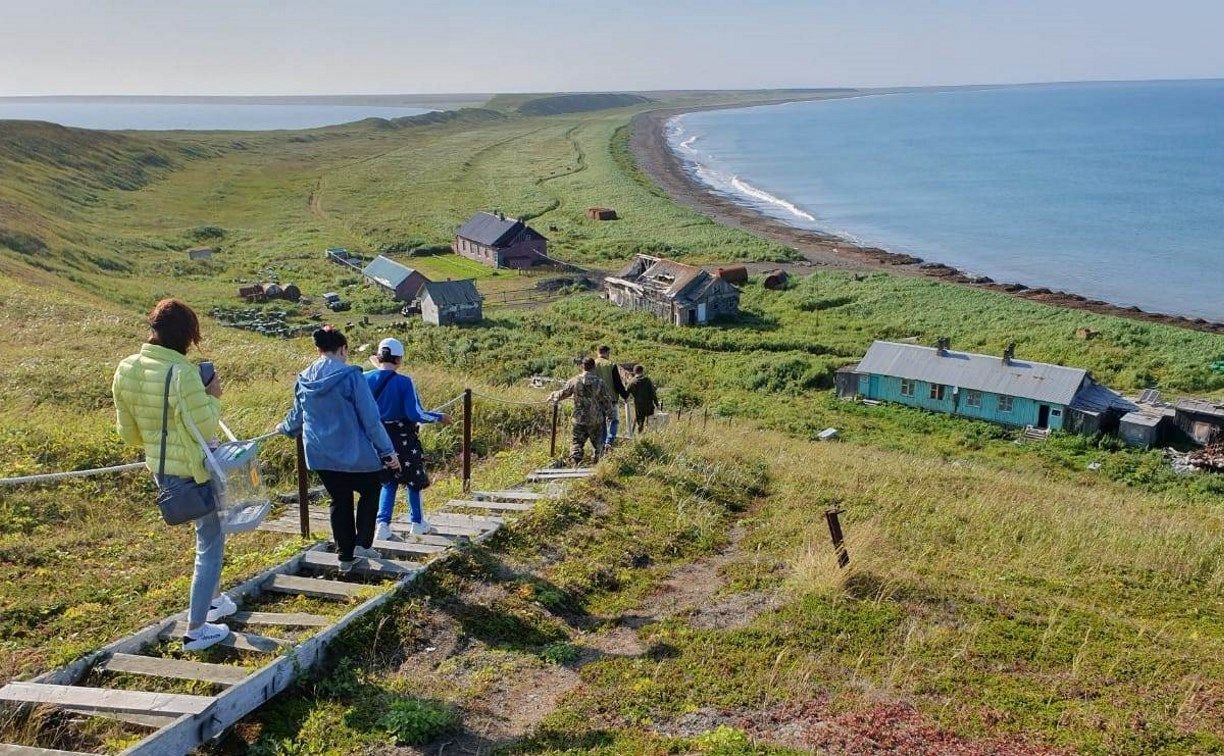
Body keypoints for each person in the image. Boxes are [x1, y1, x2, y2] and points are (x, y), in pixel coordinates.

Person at [112, 299, 234, 651]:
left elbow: (128, 434)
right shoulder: (182, 373)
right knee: (209, 542)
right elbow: (206, 424)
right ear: (186, 335)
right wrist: (213, 396)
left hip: (161, 470)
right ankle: (197, 629)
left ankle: (214, 602)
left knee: (205, 536)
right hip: (192, 473)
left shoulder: (126, 368)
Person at [278, 326, 400, 574]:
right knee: (370, 490)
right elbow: (370, 419)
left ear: (318, 349)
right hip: (355, 453)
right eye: (346, 351)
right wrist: (388, 452)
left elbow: (296, 417)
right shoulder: (351, 376)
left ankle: (345, 557)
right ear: (342, 349)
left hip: (321, 455)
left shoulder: (304, 378)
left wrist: (284, 428)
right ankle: (363, 544)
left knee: (339, 500)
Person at [364, 338, 450, 541]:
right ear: (399, 359)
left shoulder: (366, 379)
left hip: (377, 437)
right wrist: (439, 417)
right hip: (403, 436)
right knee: (414, 481)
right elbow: (415, 413)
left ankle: (382, 525)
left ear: (379, 357)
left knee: (388, 482)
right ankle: (417, 523)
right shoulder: (404, 382)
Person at [549, 357, 613, 466]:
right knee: (598, 444)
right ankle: (599, 466)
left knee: (576, 443)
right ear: (594, 367)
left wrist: (553, 395)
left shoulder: (574, 381)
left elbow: (563, 393)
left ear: (582, 366)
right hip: (595, 419)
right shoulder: (600, 382)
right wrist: (609, 414)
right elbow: (607, 400)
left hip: (578, 419)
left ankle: (575, 464)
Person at [593, 345, 628, 449]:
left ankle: (602, 444)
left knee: (601, 422)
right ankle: (609, 442)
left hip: (596, 399)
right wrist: (625, 395)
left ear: (598, 352)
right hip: (610, 399)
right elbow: (617, 383)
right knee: (614, 420)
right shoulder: (611, 365)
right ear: (607, 352)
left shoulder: (592, 364)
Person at [625, 364, 660, 434]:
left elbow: (626, 393)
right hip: (649, 405)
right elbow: (653, 393)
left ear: (634, 372)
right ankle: (650, 436)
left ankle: (640, 435)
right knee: (650, 422)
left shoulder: (631, 382)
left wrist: (626, 400)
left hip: (639, 406)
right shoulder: (647, 380)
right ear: (642, 371)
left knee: (640, 423)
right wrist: (657, 404)